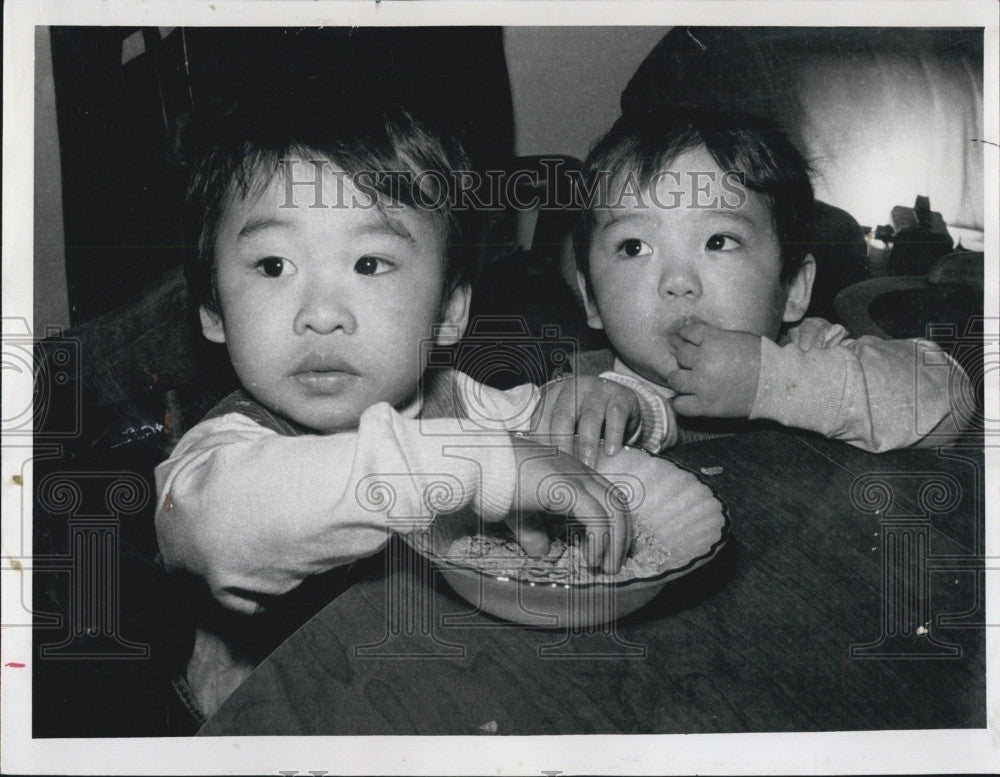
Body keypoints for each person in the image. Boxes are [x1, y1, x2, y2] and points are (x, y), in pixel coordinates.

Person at [154, 94, 657, 721]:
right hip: (274, 727)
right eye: (273, 265)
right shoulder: (218, 460)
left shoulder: (462, 405)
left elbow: (572, 442)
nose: (322, 314)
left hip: (429, 698)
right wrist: (483, 467)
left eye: (369, 263)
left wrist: (617, 400)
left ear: (448, 312)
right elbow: (221, 531)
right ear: (213, 310)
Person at [543, 106, 970, 453]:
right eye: (634, 247)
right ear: (592, 299)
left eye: (718, 241)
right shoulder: (584, 397)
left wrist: (774, 382)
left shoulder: (810, 352)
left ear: (794, 288)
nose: (677, 281)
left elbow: (950, 399)